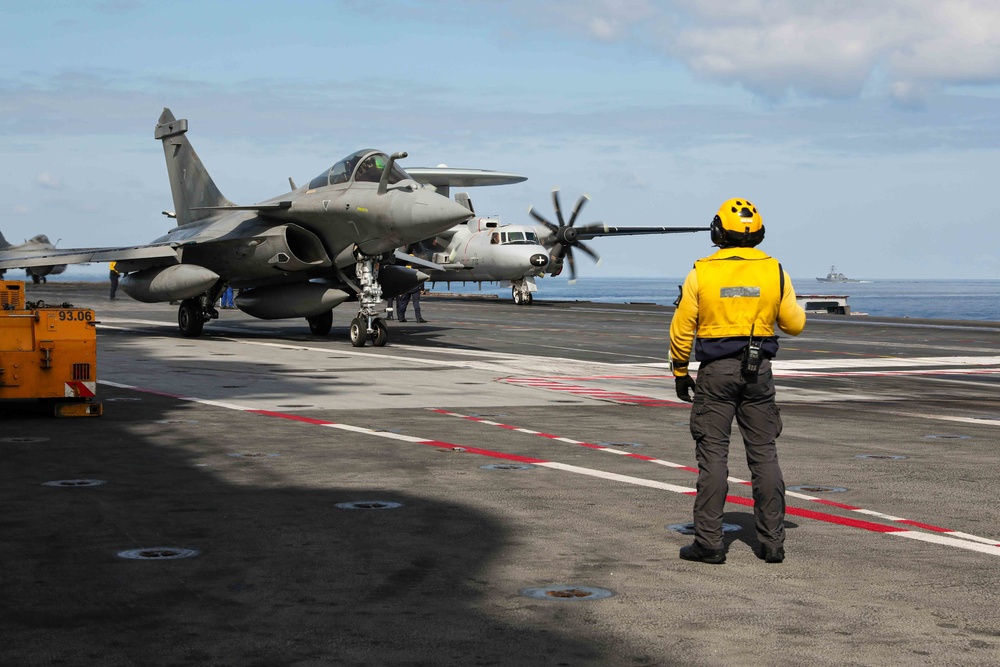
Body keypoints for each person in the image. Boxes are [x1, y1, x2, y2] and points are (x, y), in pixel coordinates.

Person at [669, 198, 806, 565]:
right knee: (764, 456)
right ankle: (773, 543)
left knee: (713, 456)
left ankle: (710, 544)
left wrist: (680, 371)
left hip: (715, 373)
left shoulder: (701, 271)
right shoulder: (775, 270)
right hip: (759, 370)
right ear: (758, 233)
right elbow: (795, 323)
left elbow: (682, 327)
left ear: (717, 232)